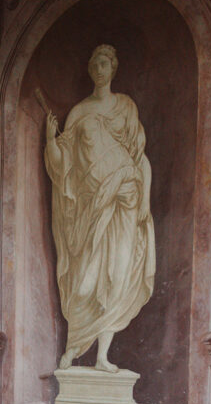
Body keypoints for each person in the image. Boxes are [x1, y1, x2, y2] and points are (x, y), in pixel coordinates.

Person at [44, 45, 155, 372]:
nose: (99, 69)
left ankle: (103, 357)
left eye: (104, 63)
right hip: (91, 208)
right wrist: (51, 140)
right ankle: (72, 347)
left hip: (126, 202)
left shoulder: (125, 107)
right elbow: (63, 167)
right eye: (94, 64)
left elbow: (139, 158)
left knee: (117, 278)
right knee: (86, 281)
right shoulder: (79, 113)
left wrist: (145, 198)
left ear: (114, 67)